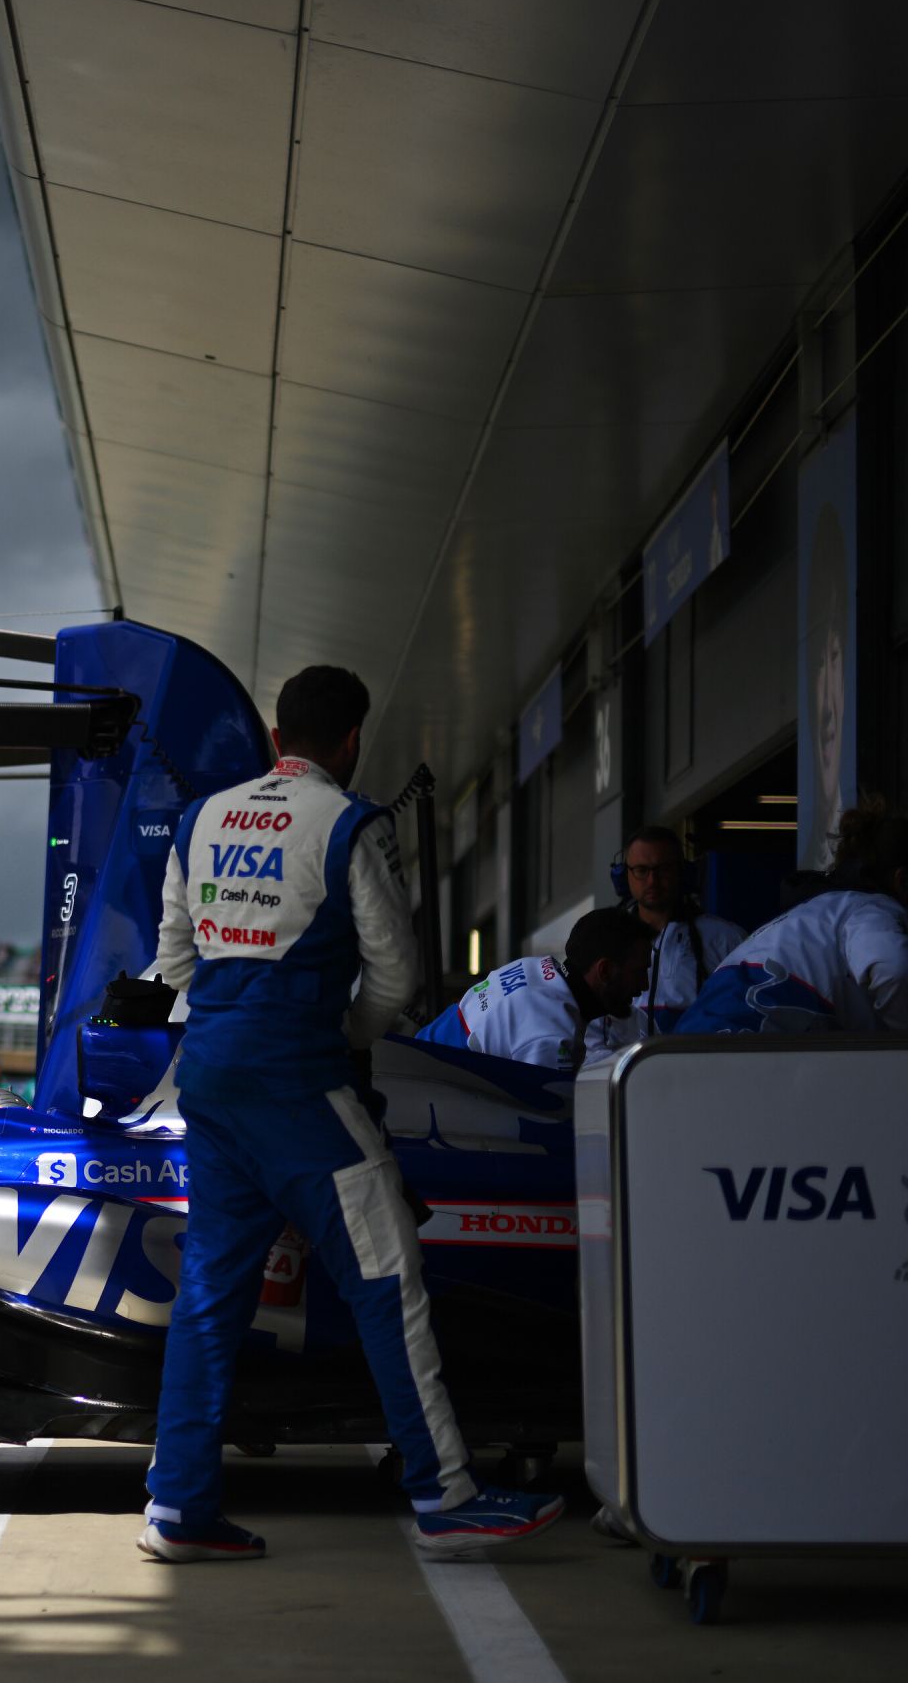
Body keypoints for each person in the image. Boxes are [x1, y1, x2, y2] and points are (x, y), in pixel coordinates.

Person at [142, 664, 561, 1563]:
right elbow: (399, 980)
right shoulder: (351, 824)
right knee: (389, 1280)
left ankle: (176, 1508)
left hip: (208, 1082)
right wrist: (335, 1035)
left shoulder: (200, 819)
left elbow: (174, 966)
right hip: (301, 1084)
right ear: (352, 740)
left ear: (273, 736)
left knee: (211, 1298)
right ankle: (445, 1493)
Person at [673, 802, 908, 1035]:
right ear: (901, 880)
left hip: (689, 1047)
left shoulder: (815, 912)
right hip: (737, 1050)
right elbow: (894, 972)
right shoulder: (872, 908)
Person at [416, 907, 655, 1070]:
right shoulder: (551, 1038)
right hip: (427, 1091)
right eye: (639, 971)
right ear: (605, 971)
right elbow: (546, 1126)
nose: (644, 985)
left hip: (417, 1058)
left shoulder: (537, 967)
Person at [600, 825, 744, 1043]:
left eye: (663, 869)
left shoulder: (725, 938)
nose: (652, 881)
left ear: (682, 872)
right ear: (623, 876)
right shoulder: (604, 939)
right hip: (625, 1073)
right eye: (641, 870)